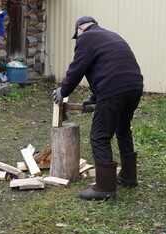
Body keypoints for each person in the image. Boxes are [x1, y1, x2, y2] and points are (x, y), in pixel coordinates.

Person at [53, 16, 144, 201]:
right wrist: (94, 98)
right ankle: (129, 176)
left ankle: (104, 187)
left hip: (114, 89)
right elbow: (108, 68)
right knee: (122, 128)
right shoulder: (110, 35)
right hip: (134, 86)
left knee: (99, 136)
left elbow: (77, 68)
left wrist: (63, 90)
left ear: (80, 29)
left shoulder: (86, 38)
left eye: (76, 35)